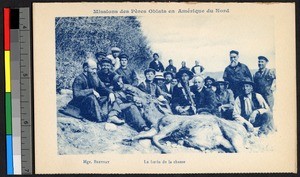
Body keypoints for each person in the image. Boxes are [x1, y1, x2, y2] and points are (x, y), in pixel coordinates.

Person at [65, 59, 122, 124]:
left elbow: (103, 87)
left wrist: (110, 93)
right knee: (91, 98)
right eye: (92, 69)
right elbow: (76, 94)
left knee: (108, 96)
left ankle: (112, 115)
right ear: (85, 68)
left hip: (93, 102)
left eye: (96, 69)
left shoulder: (95, 76)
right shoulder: (79, 79)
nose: (95, 71)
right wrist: (91, 91)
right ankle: (100, 117)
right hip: (81, 104)